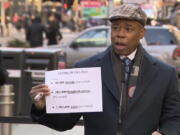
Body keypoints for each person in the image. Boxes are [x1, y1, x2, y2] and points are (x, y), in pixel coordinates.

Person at [30, 4, 180, 135]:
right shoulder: (85, 69)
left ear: (141, 33)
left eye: (128, 29)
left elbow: (174, 117)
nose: (120, 34)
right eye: (115, 28)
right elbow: (64, 122)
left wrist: (164, 133)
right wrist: (42, 107)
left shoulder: (165, 74)